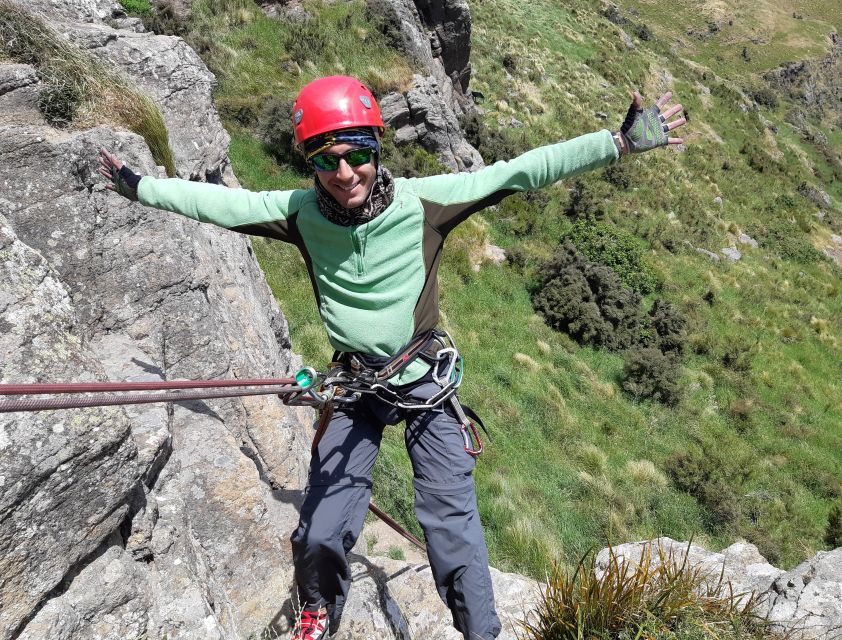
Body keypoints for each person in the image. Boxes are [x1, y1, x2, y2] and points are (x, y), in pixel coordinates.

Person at [99, 75, 686, 640]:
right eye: (326, 161)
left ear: (377, 149)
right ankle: (319, 612)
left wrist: (618, 142)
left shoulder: (424, 202)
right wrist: (140, 186)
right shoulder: (300, 214)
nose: (344, 173)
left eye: (355, 154)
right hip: (356, 389)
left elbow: (520, 171)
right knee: (321, 530)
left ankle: (481, 633)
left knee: (452, 529)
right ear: (311, 165)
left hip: (425, 384)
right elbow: (221, 204)